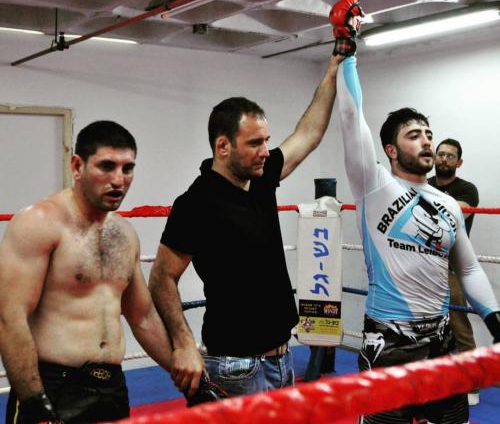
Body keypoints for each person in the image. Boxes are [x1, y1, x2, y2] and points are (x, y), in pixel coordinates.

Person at [149, 57, 342, 399]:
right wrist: (183, 343)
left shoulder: (262, 178)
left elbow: (309, 134)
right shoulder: (197, 202)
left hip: (282, 359)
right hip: (235, 367)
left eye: (267, 141)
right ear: (223, 146)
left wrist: (333, 69)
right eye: (255, 143)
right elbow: (162, 277)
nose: (265, 151)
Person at [336, 54, 500, 423]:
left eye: (428, 134)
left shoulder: (448, 204)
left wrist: (494, 319)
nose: (426, 141)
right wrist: (347, 52)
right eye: (414, 135)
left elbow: (468, 268)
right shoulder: (374, 186)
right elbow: (349, 117)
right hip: (389, 344)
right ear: (390, 150)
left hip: (440, 342)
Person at [0, 121, 173, 424]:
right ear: (77, 166)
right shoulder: (39, 223)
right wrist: (34, 400)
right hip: (53, 385)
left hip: (112, 387)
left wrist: (187, 375)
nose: (118, 180)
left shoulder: (124, 234)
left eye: (127, 168)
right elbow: (10, 317)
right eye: (106, 166)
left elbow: (142, 317)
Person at [428, 138, 480, 405]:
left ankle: (471, 386)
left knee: (460, 326)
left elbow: (457, 215)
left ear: (459, 162)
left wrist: (422, 206)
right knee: (422, 324)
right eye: (441, 154)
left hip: (452, 267)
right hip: (422, 267)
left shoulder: (467, 189)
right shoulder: (423, 184)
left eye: (450, 156)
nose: (444, 159)